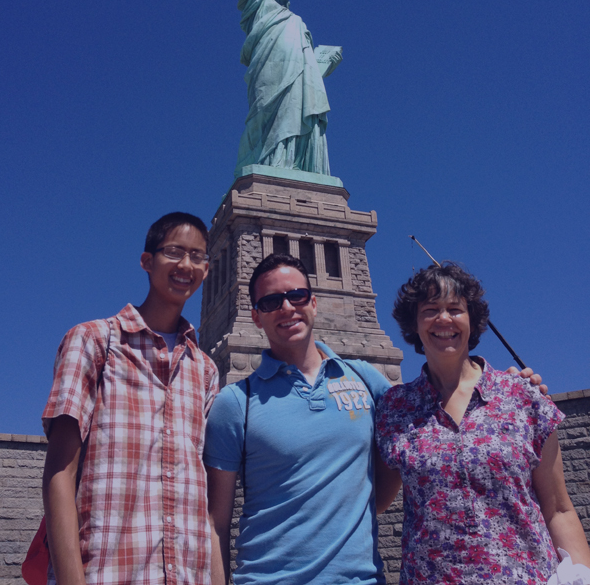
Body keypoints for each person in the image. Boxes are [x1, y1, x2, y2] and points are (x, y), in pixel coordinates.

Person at [203, 254, 545, 585]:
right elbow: (215, 524)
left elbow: (432, 406)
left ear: (313, 303)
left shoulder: (365, 379)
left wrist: (507, 387)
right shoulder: (236, 403)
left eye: (298, 296)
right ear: (256, 316)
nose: (287, 307)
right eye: (271, 302)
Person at [375, 262, 590, 584]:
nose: (443, 318)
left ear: (472, 320)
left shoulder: (524, 396)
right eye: (430, 310)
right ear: (414, 324)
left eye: (455, 309)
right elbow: (373, 499)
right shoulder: (394, 408)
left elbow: (559, 509)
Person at [41, 212, 218, 585]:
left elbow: (205, 500)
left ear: (206, 269)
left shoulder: (205, 370)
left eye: (197, 256)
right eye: (174, 252)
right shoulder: (93, 340)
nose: (186, 265)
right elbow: (59, 472)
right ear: (146, 261)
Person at [234, 0, 342, 177]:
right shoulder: (259, 5)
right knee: (263, 117)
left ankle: (293, 164)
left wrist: (323, 64)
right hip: (267, 74)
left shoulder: (297, 21)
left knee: (297, 110)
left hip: (298, 79)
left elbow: (307, 66)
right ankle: (267, 164)